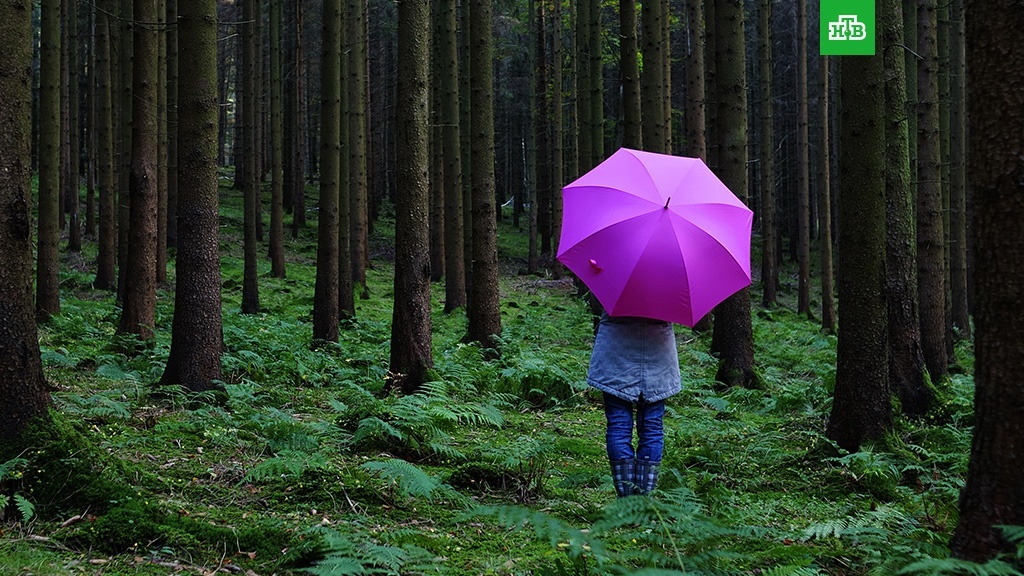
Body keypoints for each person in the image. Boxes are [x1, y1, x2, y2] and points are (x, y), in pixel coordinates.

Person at [587, 310, 681, 497]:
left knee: (619, 425)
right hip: (658, 352)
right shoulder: (670, 282)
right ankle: (642, 499)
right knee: (652, 427)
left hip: (616, 351)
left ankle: (627, 499)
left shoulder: (611, 279)